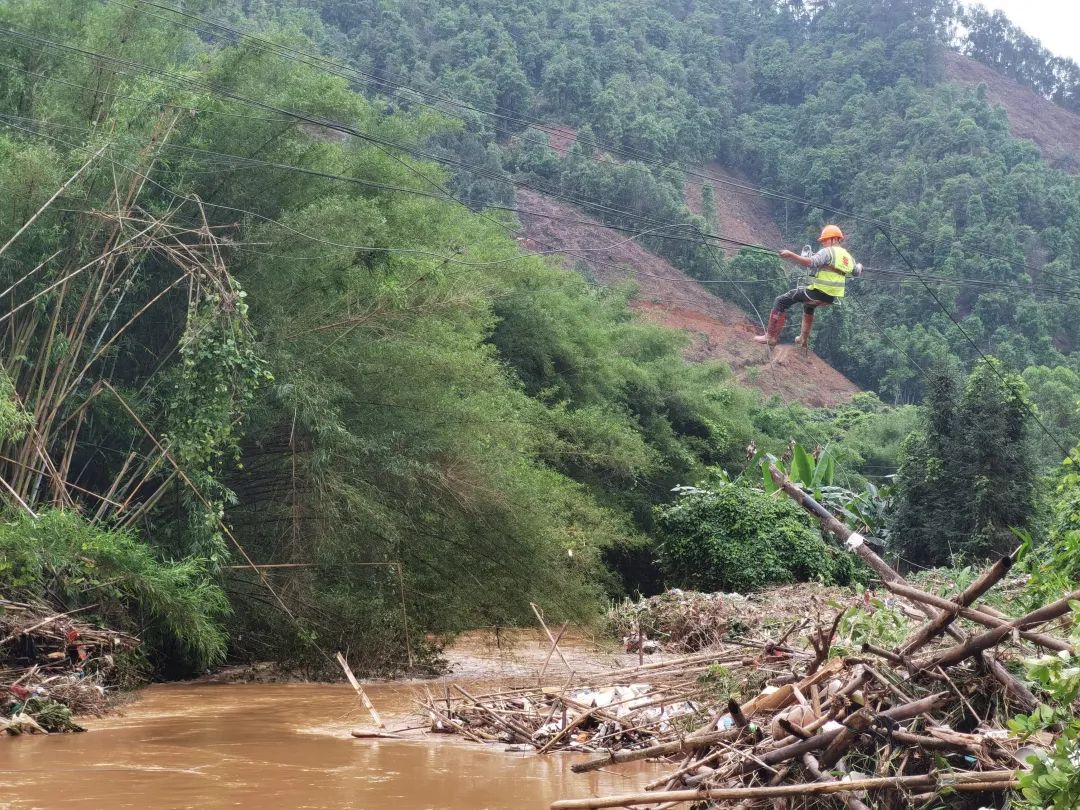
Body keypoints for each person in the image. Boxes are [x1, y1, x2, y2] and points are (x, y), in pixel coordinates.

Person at [753, 224, 859, 347]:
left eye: (825, 240)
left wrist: (791, 255)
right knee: (809, 306)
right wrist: (860, 266)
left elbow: (810, 262)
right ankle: (803, 339)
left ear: (834, 239)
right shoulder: (848, 257)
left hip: (818, 292)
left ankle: (770, 337)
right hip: (831, 298)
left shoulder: (828, 252)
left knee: (781, 301)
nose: (823, 243)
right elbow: (856, 271)